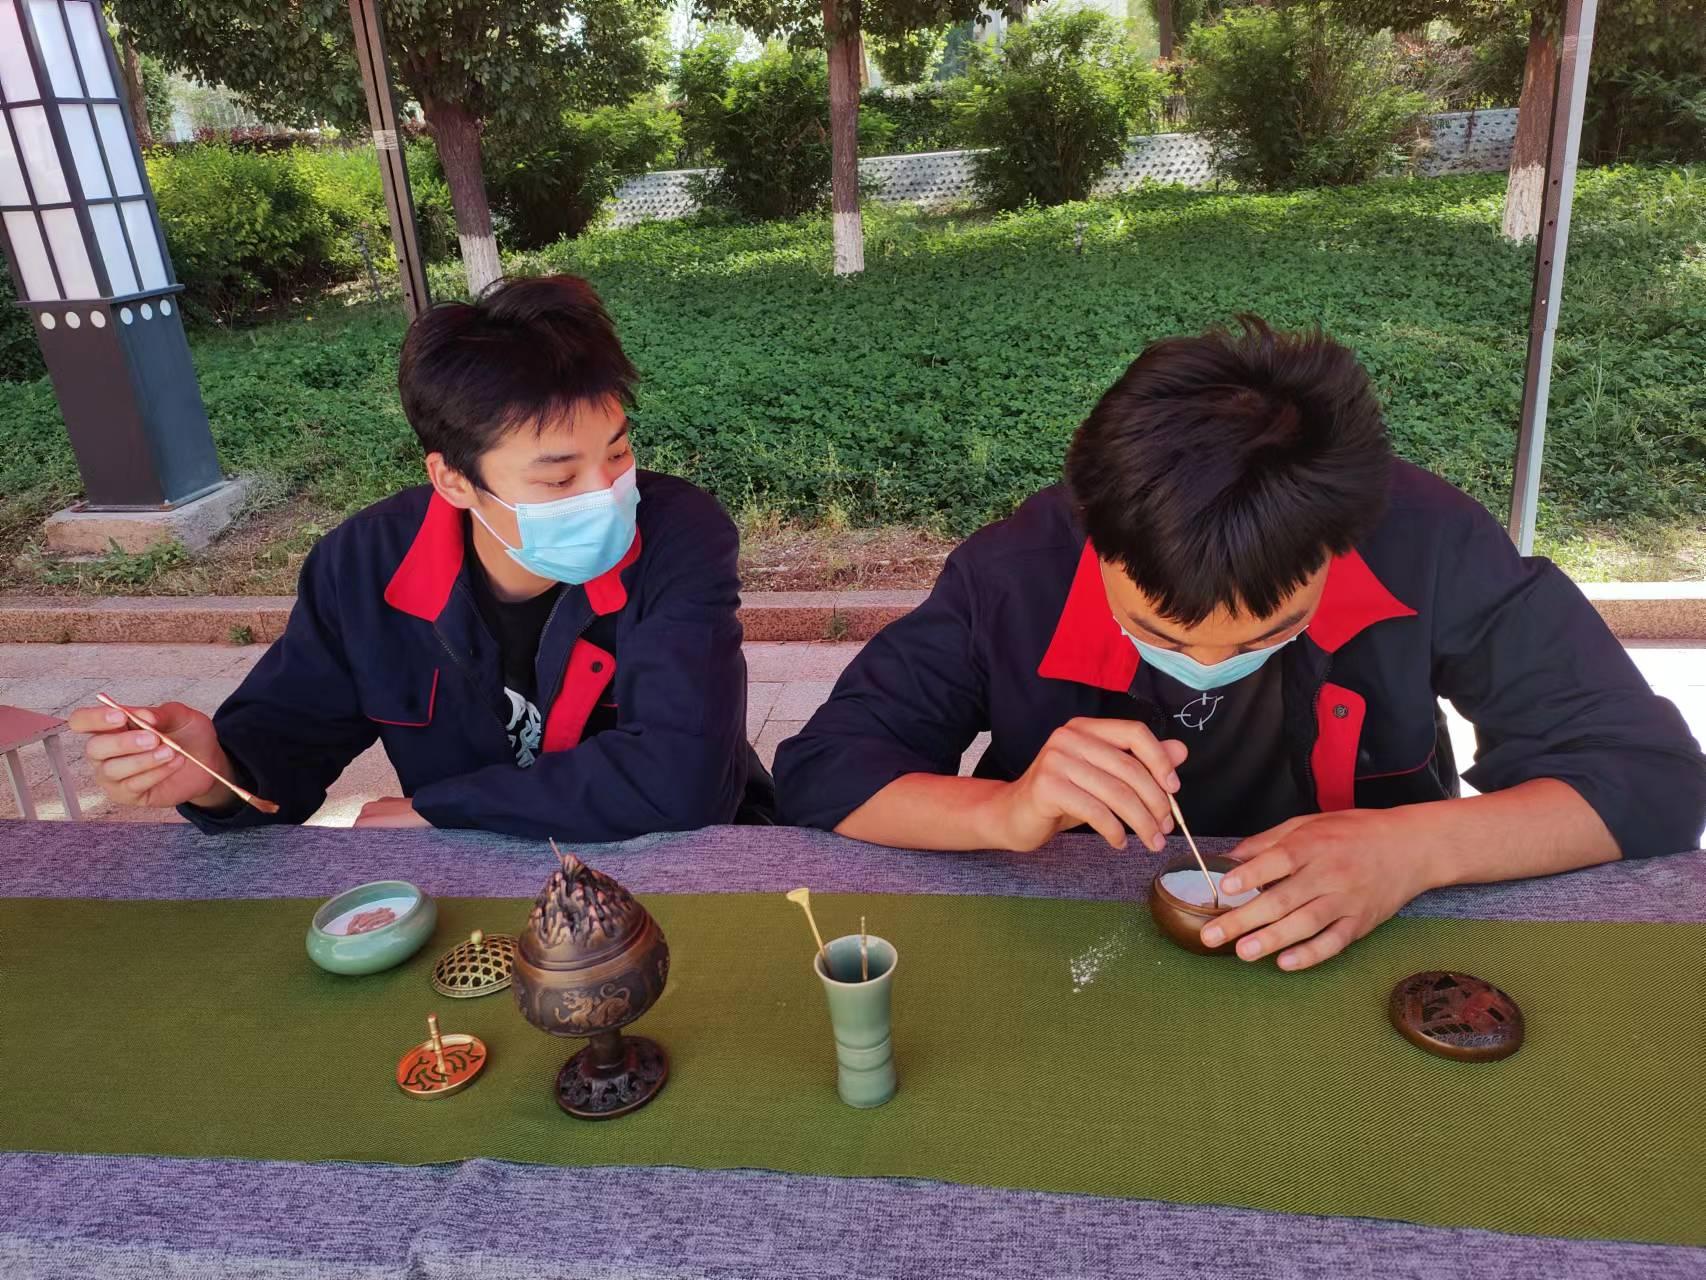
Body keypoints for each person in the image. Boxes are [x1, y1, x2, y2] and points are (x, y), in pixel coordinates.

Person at [775, 317, 1706, 970]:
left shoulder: (1428, 543)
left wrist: (1418, 850)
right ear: (1092, 532)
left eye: (1274, 631)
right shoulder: (1014, 573)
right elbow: (826, 771)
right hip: (1068, 950)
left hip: (1376, 942)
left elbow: (1651, 779)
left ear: (1341, 546)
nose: (1211, 666)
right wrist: (1004, 812)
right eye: (1157, 632)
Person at [71, 274, 771, 838]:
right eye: (559, 479)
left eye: (617, 453)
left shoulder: (678, 533)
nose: (607, 493)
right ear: (454, 480)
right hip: (475, 889)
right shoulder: (363, 568)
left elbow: (682, 781)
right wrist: (214, 774)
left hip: (687, 868)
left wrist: (449, 808)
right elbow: (286, 747)